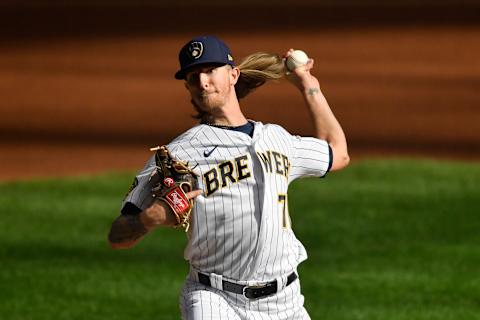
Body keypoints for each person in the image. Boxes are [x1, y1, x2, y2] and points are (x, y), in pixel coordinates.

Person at [108, 35, 349, 319]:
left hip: (286, 303)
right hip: (215, 298)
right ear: (188, 87)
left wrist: (308, 85)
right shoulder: (178, 153)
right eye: (193, 76)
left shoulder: (278, 138)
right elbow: (117, 236)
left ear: (233, 74)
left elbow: (338, 153)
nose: (202, 81)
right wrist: (150, 219)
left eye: (210, 70)